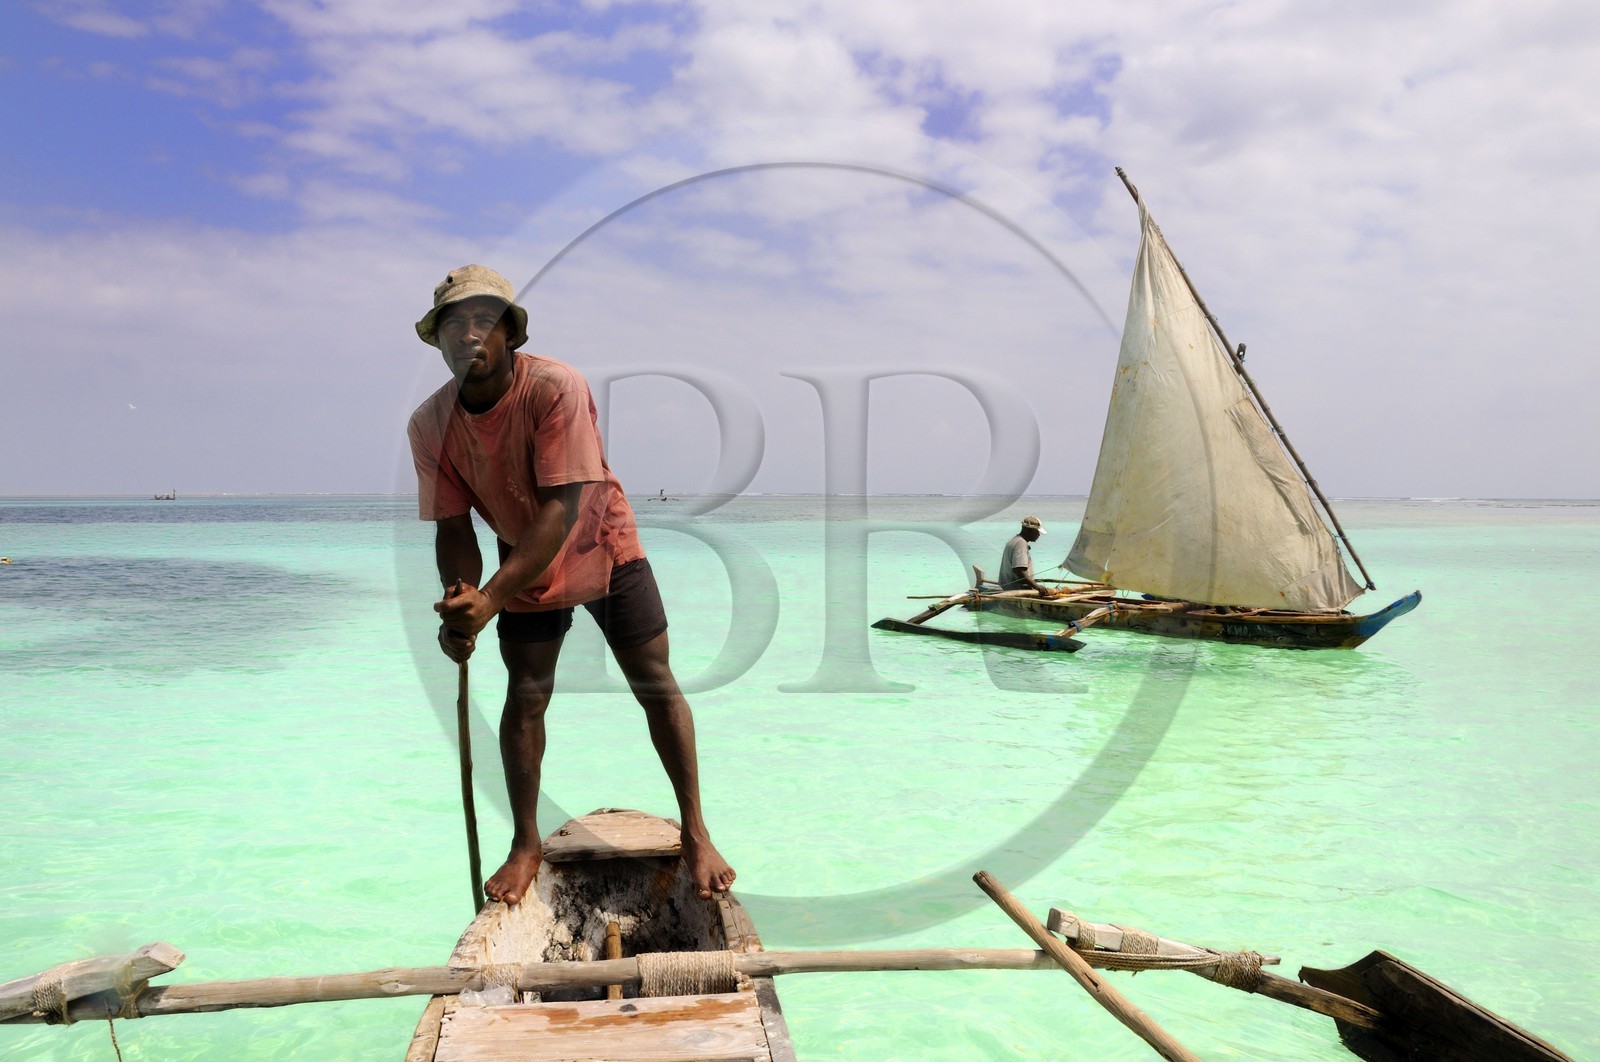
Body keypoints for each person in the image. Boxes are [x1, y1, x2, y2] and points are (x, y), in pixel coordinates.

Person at [406, 264, 734, 904]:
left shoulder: (556, 386)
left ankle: (696, 830)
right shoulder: (429, 424)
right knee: (525, 694)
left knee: (655, 682)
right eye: (453, 324)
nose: (468, 335)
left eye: (483, 321)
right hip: (521, 556)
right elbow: (452, 525)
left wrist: (491, 596)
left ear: (510, 336)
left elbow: (563, 507)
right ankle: (525, 842)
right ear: (437, 341)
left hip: (601, 540)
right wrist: (460, 601)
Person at [998, 515, 1056, 595]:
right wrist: (1036, 586)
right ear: (1029, 530)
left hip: (1006, 587)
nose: (1039, 535)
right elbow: (1019, 570)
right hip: (1016, 591)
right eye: (1037, 532)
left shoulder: (1015, 540)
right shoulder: (1021, 544)